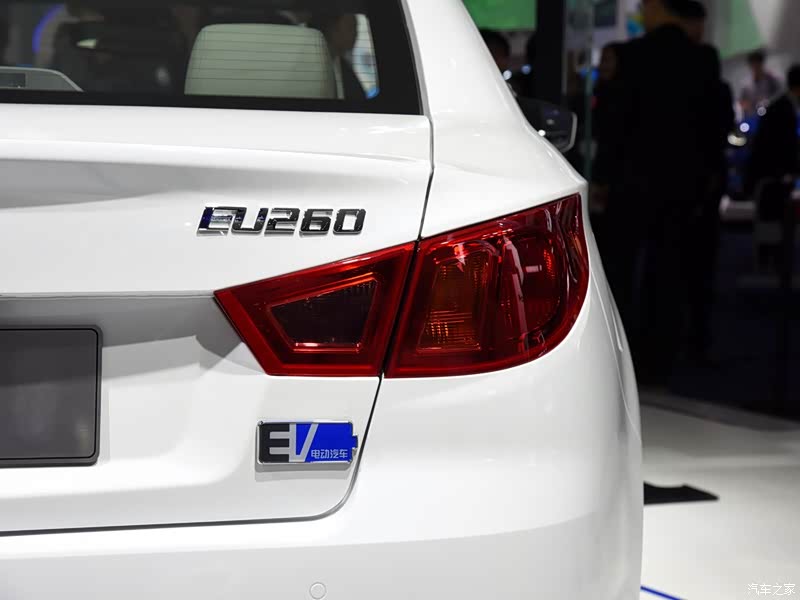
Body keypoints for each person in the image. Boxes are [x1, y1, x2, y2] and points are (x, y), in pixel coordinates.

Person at [595, 0, 718, 387]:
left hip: (630, 181)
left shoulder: (630, 56)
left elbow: (612, 126)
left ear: (656, 8)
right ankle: (659, 360)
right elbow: (711, 128)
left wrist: (603, 178)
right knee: (667, 273)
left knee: (619, 269)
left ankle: (618, 358)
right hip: (679, 185)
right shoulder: (702, 60)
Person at [309, 12, 365, 101]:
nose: (356, 34)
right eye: (351, 27)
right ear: (333, 29)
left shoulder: (342, 66)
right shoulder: (311, 66)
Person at [740, 49, 781, 119]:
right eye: (753, 63)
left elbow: (778, 96)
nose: (755, 66)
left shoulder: (771, 80)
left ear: (761, 63)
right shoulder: (746, 85)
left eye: (757, 63)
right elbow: (743, 102)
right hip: (754, 116)